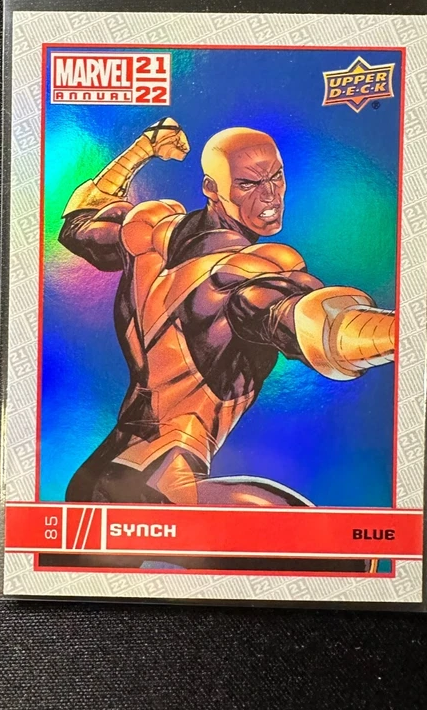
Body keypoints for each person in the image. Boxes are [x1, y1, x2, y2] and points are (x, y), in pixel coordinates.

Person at [59, 117, 395, 508]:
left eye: (276, 177)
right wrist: (404, 333)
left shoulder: (147, 233)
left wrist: (143, 149)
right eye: (248, 184)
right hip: (163, 484)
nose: (270, 196)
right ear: (211, 188)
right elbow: (315, 326)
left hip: (96, 479)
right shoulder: (246, 272)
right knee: (333, 537)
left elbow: (79, 222)